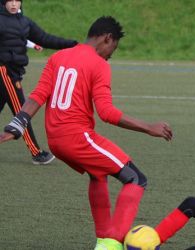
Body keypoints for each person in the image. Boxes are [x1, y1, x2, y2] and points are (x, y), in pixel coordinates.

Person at [0, 16, 173, 250]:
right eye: (113, 47)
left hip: (56, 141)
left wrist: (16, 125)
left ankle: (103, 241)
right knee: (136, 179)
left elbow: (38, 95)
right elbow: (107, 113)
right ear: (106, 38)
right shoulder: (99, 64)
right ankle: (113, 243)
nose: (112, 53)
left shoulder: (58, 57)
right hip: (77, 138)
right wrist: (148, 127)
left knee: (97, 174)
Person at [0, 0, 77, 164]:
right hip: (5, 71)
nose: (14, 4)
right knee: (22, 111)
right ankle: (36, 153)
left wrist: (72, 45)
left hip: (15, 70)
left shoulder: (24, 22)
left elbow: (45, 38)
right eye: (9, 1)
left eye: (17, 1)